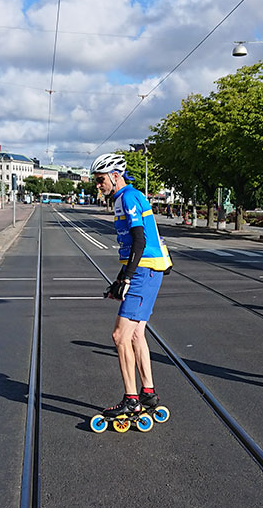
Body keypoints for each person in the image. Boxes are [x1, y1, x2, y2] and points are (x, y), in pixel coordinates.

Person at [91, 153, 172, 418]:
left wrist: (127, 278)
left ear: (115, 175)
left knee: (119, 336)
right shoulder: (122, 199)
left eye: (100, 179)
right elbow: (131, 248)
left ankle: (131, 399)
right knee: (136, 334)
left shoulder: (129, 197)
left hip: (145, 271)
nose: (98, 185)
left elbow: (140, 240)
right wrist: (119, 278)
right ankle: (148, 393)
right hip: (144, 270)